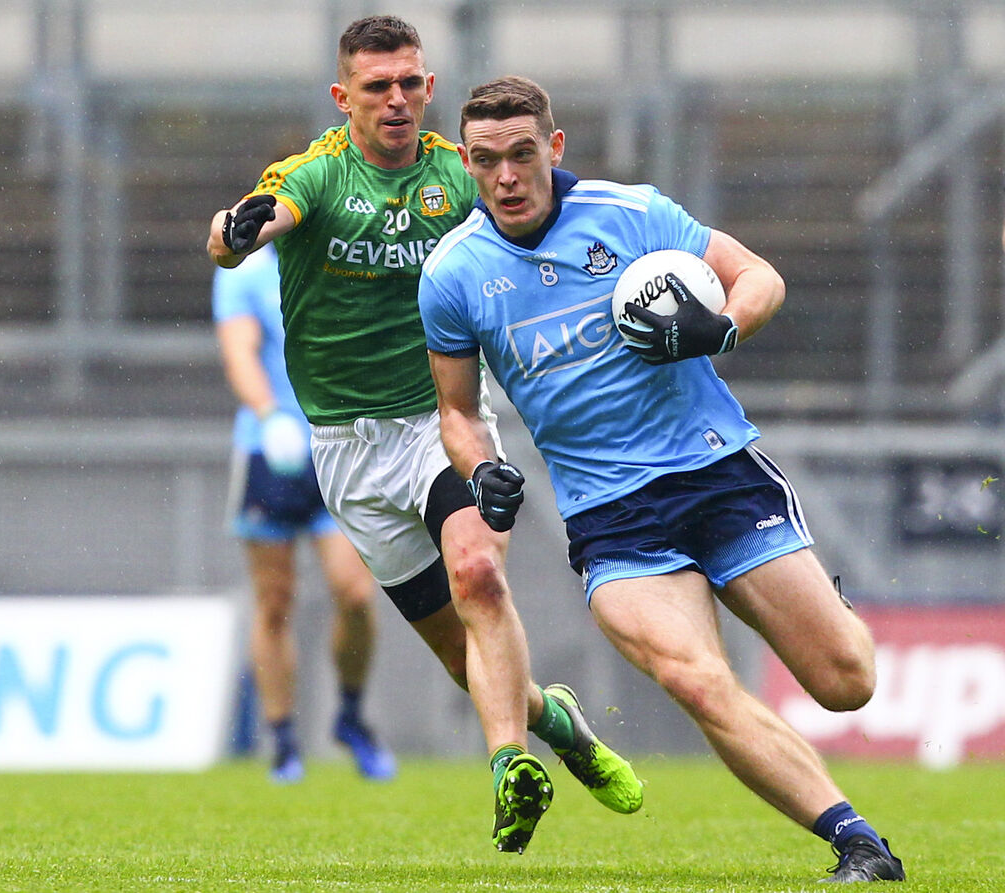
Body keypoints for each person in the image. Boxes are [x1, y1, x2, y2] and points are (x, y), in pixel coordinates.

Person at [418, 75, 906, 884]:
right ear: (466, 162)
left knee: (845, 682)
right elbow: (458, 413)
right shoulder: (453, 275)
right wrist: (484, 470)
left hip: (716, 472)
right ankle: (858, 842)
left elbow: (760, 278)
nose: (505, 176)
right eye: (484, 160)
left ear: (555, 147)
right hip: (610, 517)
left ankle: (830, 609)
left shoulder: (631, 214)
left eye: (521, 155)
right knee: (696, 679)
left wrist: (720, 327)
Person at [208, 16, 642, 853]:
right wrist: (233, 231)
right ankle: (560, 725)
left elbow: (548, 201)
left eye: (410, 82)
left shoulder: (459, 173)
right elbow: (242, 234)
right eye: (378, 87)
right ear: (345, 99)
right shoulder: (317, 175)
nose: (397, 99)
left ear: (429, 87)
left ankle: (509, 768)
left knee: (478, 574)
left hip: (442, 424)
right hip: (344, 451)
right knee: (461, 654)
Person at [213, 243, 395, 784]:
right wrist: (270, 416)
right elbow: (240, 351)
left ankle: (351, 715)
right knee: (274, 601)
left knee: (356, 594)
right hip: (272, 449)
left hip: (341, 444)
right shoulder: (246, 275)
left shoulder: (345, 261)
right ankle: (285, 740)